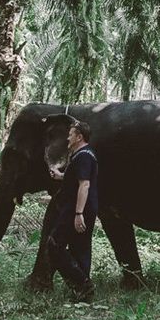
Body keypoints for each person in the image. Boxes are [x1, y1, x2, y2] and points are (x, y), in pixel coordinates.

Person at [48, 121, 98, 301]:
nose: (68, 137)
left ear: (79, 137)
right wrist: (62, 176)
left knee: (54, 244)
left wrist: (78, 214)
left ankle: (82, 283)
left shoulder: (84, 155)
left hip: (76, 209)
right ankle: (83, 292)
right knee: (80, 247)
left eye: (70, 134)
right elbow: (77, 179)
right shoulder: (81, 155)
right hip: (82, 208)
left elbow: (84, 185)